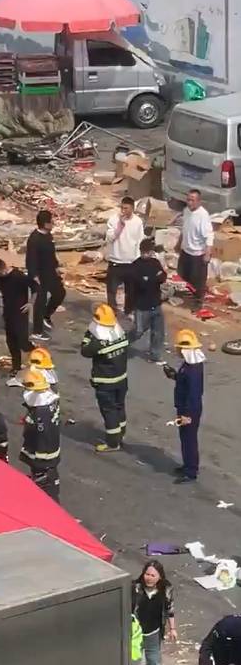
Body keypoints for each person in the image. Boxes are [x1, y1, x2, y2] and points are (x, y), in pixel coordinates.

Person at [81, 303, 129, 453]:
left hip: (105, 382)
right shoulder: (120, 334)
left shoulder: (97, 341)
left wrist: (89, 335)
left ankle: (113, 443)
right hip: (122, 379)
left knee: (109, 411)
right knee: (119, 406)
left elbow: (85, 351)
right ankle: (121, 434)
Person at [163, 329, 204, 484]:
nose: (178, 351)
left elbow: (193, 393)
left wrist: (187, 415)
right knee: (185, 438)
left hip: (189, 410)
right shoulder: (190, 365)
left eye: (179, 348)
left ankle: (191, 471)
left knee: (189, 439)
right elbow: (185, 383)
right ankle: (188, 465)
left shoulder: (192, 369)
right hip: (186, 408)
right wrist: (174, 375)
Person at [19, 368, 61, 501]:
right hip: (50, 453)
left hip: (43, 458)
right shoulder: (49, 400)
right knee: (49, 480)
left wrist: (39, 463)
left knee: (46, 488)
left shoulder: (41, 411)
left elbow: (42, 436)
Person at [0, 258, 32, 386]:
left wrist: (31, 303)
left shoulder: (19, 276)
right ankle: (16, 367)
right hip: (8, 313)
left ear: (4, 269)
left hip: (20, 313)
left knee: (22, 341)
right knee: (11, 342)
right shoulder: (0, 278)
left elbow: (36, 287)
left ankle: (38, 356)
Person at [26, 209, 65, 341]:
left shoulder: (49, 236)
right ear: (45, 224)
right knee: (40, 302)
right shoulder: (34, 239)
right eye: (51, 222)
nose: (53, 224)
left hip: (50, 272)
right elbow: (30, 259)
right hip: (39, 275)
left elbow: (51, 254)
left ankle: (46, 315)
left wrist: (56, 267)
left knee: (60, 293)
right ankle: (37, 332)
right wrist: (34, 275)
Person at [132, 560, 177, 665]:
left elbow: (170, 609)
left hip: (153, 631)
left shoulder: (166, 589)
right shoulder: (135, 588)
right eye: (147, 574)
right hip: (136, 632)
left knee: (154, 661)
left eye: (153, 575)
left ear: (160, 577)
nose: (149, 578)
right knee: (135, 661)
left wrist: (172, 629)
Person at [128, 238, 167, 362]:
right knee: (138, 331)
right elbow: (140, 285)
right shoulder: (136, 266)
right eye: (143, 252)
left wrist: (149, 279)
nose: (145, 254)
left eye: (147, 252)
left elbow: (163, 277)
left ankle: (155, 355)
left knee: (158, 332)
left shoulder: (155, 263)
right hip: (141, 306)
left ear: (151, 252)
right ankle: (122, 343)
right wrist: (153, 278)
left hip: (156, 303)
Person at [105, 196, 144, 315]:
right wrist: (120, 226)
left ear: (132, 208)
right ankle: (112, 312)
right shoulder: (113, 220)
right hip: (115, 262)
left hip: (131, 263)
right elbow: (110, 238)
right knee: (111, 291)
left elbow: (139, 241)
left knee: (131, 291)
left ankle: (129, 312)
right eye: (122, 208)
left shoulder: (138, 222)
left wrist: (139, 260)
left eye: (126, 208)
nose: (123, 211)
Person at [176, 189, 214, 309]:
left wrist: (207, 253)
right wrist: (179, 243)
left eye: (192, 200)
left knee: (198, 280)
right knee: (182, 273)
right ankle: (192, 292)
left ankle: (198, 301)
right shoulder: (186, 211)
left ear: (198, 201)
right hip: (186, 250)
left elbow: (209, 236)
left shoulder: (203, 215)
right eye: (188, 199)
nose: (189, 202)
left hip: (198, 253)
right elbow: (184, 229)